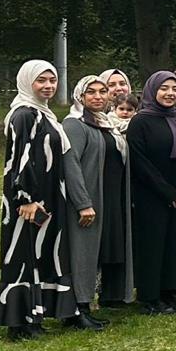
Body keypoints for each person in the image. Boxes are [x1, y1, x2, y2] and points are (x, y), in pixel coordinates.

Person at [0, 61, 84, 338]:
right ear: (27, 82)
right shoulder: (23, 115)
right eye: (41, 80)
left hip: (50, 195)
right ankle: (19, 322)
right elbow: (19, 160)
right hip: (28, 199)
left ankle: (36, 315)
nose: (48, 86)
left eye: (52, 81)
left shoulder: (44, 114)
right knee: (23, 255)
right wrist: (26, 198)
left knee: (43, 255)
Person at [127, 71, 176, 315]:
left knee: (173, 244)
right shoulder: (140, 121)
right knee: (153, 245)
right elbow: (140, 162)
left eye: (174, 89)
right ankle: (150, 296)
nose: (170, 93)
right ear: (152, 91)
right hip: (153, 195)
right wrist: (168, 193)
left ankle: (169, 291)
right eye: (164, 88)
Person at [61, 76, 122, 326]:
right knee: (81, 253)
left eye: (102, 91)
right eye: (91, 92)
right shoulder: (75, 124)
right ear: (80, 96)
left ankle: (86, 305)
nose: (98, 96)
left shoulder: (102, 122)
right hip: (85, 201)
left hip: (104, 196)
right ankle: (77, 311)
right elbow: (70, 164)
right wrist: (83, 203)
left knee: (92, 253)